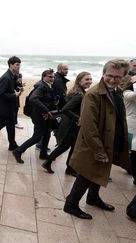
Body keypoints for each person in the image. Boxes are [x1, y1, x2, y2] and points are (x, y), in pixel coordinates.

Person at [63, 59, 130, 220]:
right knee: (87, 174)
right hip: (94, 144)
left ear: (123, 77)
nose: (113, 80)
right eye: (110, 76)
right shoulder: (93, 94)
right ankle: (71, 204)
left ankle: (93, 198)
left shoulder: (116, 91)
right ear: (103, 74)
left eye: (118, 77)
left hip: (109, 140)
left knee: (100, 171)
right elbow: (88, 126)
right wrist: (99, 150)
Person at [40, 72, 93, 175]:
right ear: (79, 81)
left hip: (69, 124)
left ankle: (64, 166)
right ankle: (65, 167)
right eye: (87, 79)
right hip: (71, 126)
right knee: (68, 146)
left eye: (90, 79)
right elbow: (65, 109)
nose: (89, 81)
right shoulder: (79, 95)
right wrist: (78, 118)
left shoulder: (76, 92)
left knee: (68, 146)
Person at [12, 69, 58, 163]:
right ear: (44, 77)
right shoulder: (41, 87)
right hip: (39, 116)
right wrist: (45, 110)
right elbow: (33, 99)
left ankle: (43, 153)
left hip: (43, 115)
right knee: (37, 137)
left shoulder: (47, 85)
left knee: (47, 134)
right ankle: (18, 151)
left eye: (53, 77)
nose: (52, 78)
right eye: (50, 76)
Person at [122, 73, 136, 185]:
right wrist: (135, 82)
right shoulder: (127, 93)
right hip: (131, 127)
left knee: (132, 151)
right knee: (132, 151)